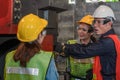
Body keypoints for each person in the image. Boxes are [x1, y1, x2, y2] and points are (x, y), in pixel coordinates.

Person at [55, 5, 120, 80]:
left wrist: (65, 49)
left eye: (99, 22)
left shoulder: (108, 42)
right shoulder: (107, 39)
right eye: (95, 21)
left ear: (109, 23)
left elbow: (85, 51)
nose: (95, 25)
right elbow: (86, 47)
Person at [4, 14, 59, 80]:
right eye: (43, 32)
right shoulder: (46, 60)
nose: (44, 35)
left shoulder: (9, 57)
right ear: (39, 35)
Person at [65, 15, 96, 80]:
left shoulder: (96, 47)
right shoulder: (70, 44)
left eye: (84, 30)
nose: (80, 32)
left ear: (91, 33)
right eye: (79, 28)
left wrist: (94, 72)